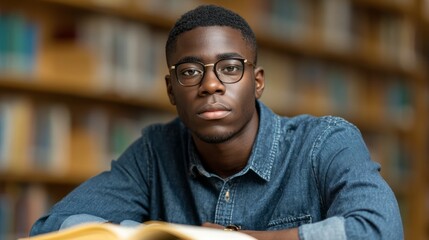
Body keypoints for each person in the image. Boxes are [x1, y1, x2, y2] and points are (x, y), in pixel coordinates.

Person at [30, 4, 403, 240]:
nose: (210, 85)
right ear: (171, 90)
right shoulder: (154, 153)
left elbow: (381, 229)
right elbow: (51, 227)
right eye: (190, 71)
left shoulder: (325, 142)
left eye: (229, 68)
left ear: (257, 82)